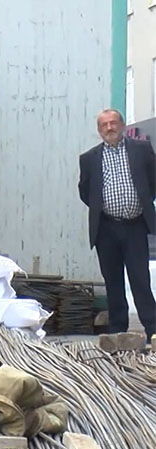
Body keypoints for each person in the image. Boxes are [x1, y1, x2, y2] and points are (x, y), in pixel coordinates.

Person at [78, 108, 156, 337]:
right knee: (113, 281)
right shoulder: (89, 158)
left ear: (122, 125)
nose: (109, 128)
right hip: (106, 229)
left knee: (140, 279)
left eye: (113, 123)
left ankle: (153, 329)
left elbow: (153, 181)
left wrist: (140, 201)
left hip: (135, 226)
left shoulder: (141, 150)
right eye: (104, 125)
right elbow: (85, 192)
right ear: (99, 130)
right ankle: (118, 331)